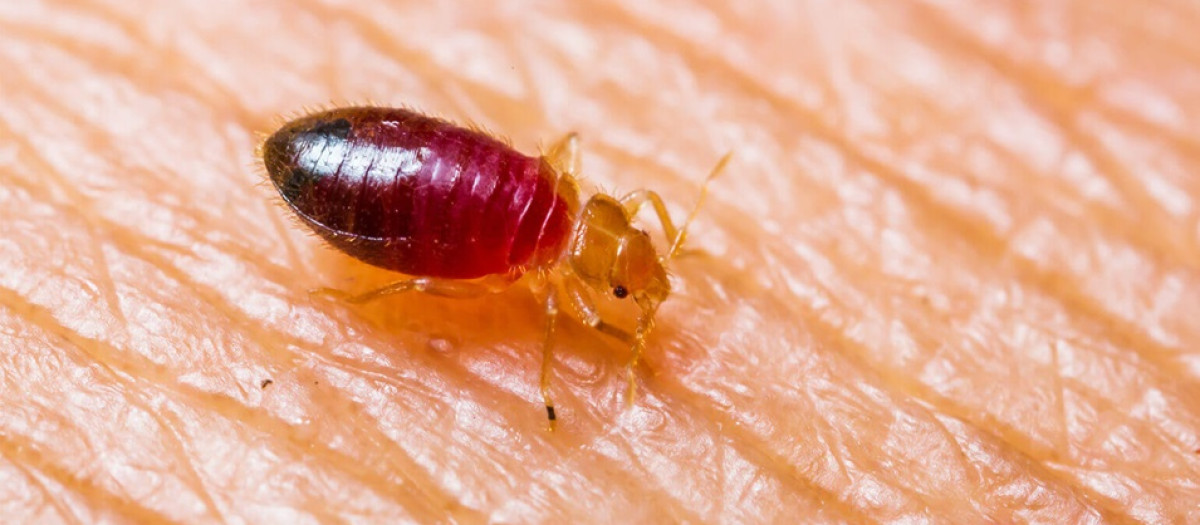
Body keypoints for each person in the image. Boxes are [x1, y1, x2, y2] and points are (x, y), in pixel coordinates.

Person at [0, 1, 1194, 522]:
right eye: (633, 281)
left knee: (440, 269)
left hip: (446, 184)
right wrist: (568, 370)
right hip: (398, 186)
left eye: (635, 274)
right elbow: (558, 300)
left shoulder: (556, 206)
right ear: (610, 262)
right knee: (418, 278)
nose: (636, 280)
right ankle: (360, 277)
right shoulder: (547, 232)